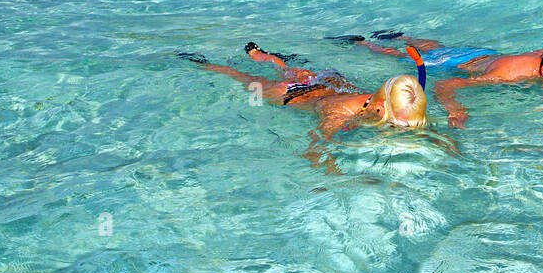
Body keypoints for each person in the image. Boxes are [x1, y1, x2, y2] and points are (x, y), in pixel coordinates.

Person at [342, 23, 543, 127]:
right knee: (425, 58)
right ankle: (365, 42)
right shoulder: (509, 75)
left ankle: (399, 33)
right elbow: (449, 85)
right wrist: (456, 108)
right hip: (464, 64)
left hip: (484, 53)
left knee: (437, 46)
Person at [180, 43, 429, 166]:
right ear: (379, 110)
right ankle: (200, 61)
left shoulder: (378, 102)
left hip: (329, 83)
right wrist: (338, 177)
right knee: (242, 77)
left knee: (286, 67)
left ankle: (266, 56)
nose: (400, 129)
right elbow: (315, 147)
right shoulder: (338, 114)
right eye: (397, 126)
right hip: (291, 94)